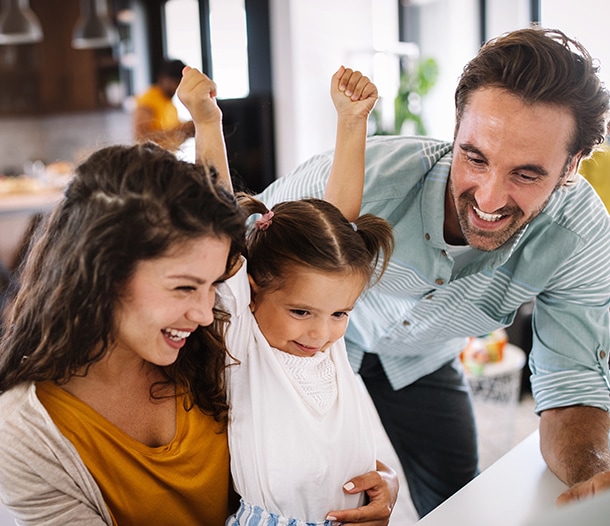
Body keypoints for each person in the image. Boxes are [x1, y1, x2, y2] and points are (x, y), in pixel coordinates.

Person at [254, 27, 610, 517]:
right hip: (318, 344)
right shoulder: (367, 177)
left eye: (526, 174)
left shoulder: (581, 238)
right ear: (457, 128)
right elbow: (237, 255)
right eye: (475, 157)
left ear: (571, 165)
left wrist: (598, 480)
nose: (488, 198)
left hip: (423, 358)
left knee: (458, 503)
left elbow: (571, 381)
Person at [0, 90, 398, 526]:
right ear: (102, 272)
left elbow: (332, 234)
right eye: (185, 287)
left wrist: (384, 481)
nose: (209, 312)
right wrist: (208, 122)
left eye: (212, 286)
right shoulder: (28, 435)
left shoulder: (205, 343)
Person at [178, 66, 397, 525]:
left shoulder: (323, 335)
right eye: (300, 311)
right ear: (252, 291)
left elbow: (341, 220)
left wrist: (351, 122)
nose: (322, 332)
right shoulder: (246, 340)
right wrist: (206, 122)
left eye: (341, 313)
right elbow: (219, 219)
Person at [133, 58, 196, 151]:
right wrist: (182, 130)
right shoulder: (148, 99)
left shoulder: (170, 105)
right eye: (173, 81)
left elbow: (174, 132)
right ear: (162, 78)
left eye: (179, 82)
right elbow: (141, 138)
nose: (176, 86)